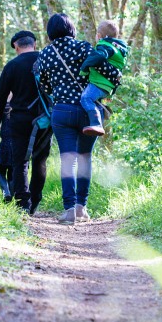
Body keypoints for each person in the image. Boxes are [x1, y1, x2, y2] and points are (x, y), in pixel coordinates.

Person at [35, 13, 121, 225]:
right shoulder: (83, 47)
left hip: (62, 111)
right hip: (87, 110)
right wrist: (115, 78)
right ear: (72, 29)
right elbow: (105, 70)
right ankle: (82, 208)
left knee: (68, 158)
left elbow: (44, 85)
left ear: (50, 32)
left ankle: (69, 209)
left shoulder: (45, 54)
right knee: (85, 157)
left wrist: (58, 91)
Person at [0, 30, 52, 215]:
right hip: (45, 119)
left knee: (20, 162)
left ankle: (22, 203)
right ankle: (35, 201)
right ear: (34, 44)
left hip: (20, 119)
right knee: (40, 160)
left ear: (16, 46)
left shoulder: (12, 65)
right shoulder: (46, 60)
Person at [79, 19, 129, 137]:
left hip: (99, 83)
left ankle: (96, 124)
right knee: (94, 100)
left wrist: (84, 68)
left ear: (99, 36)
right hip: (108, 86)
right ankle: (100, 115)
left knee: (86, 98)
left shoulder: (104, 46)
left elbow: (99, 57)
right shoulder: (120, 49)